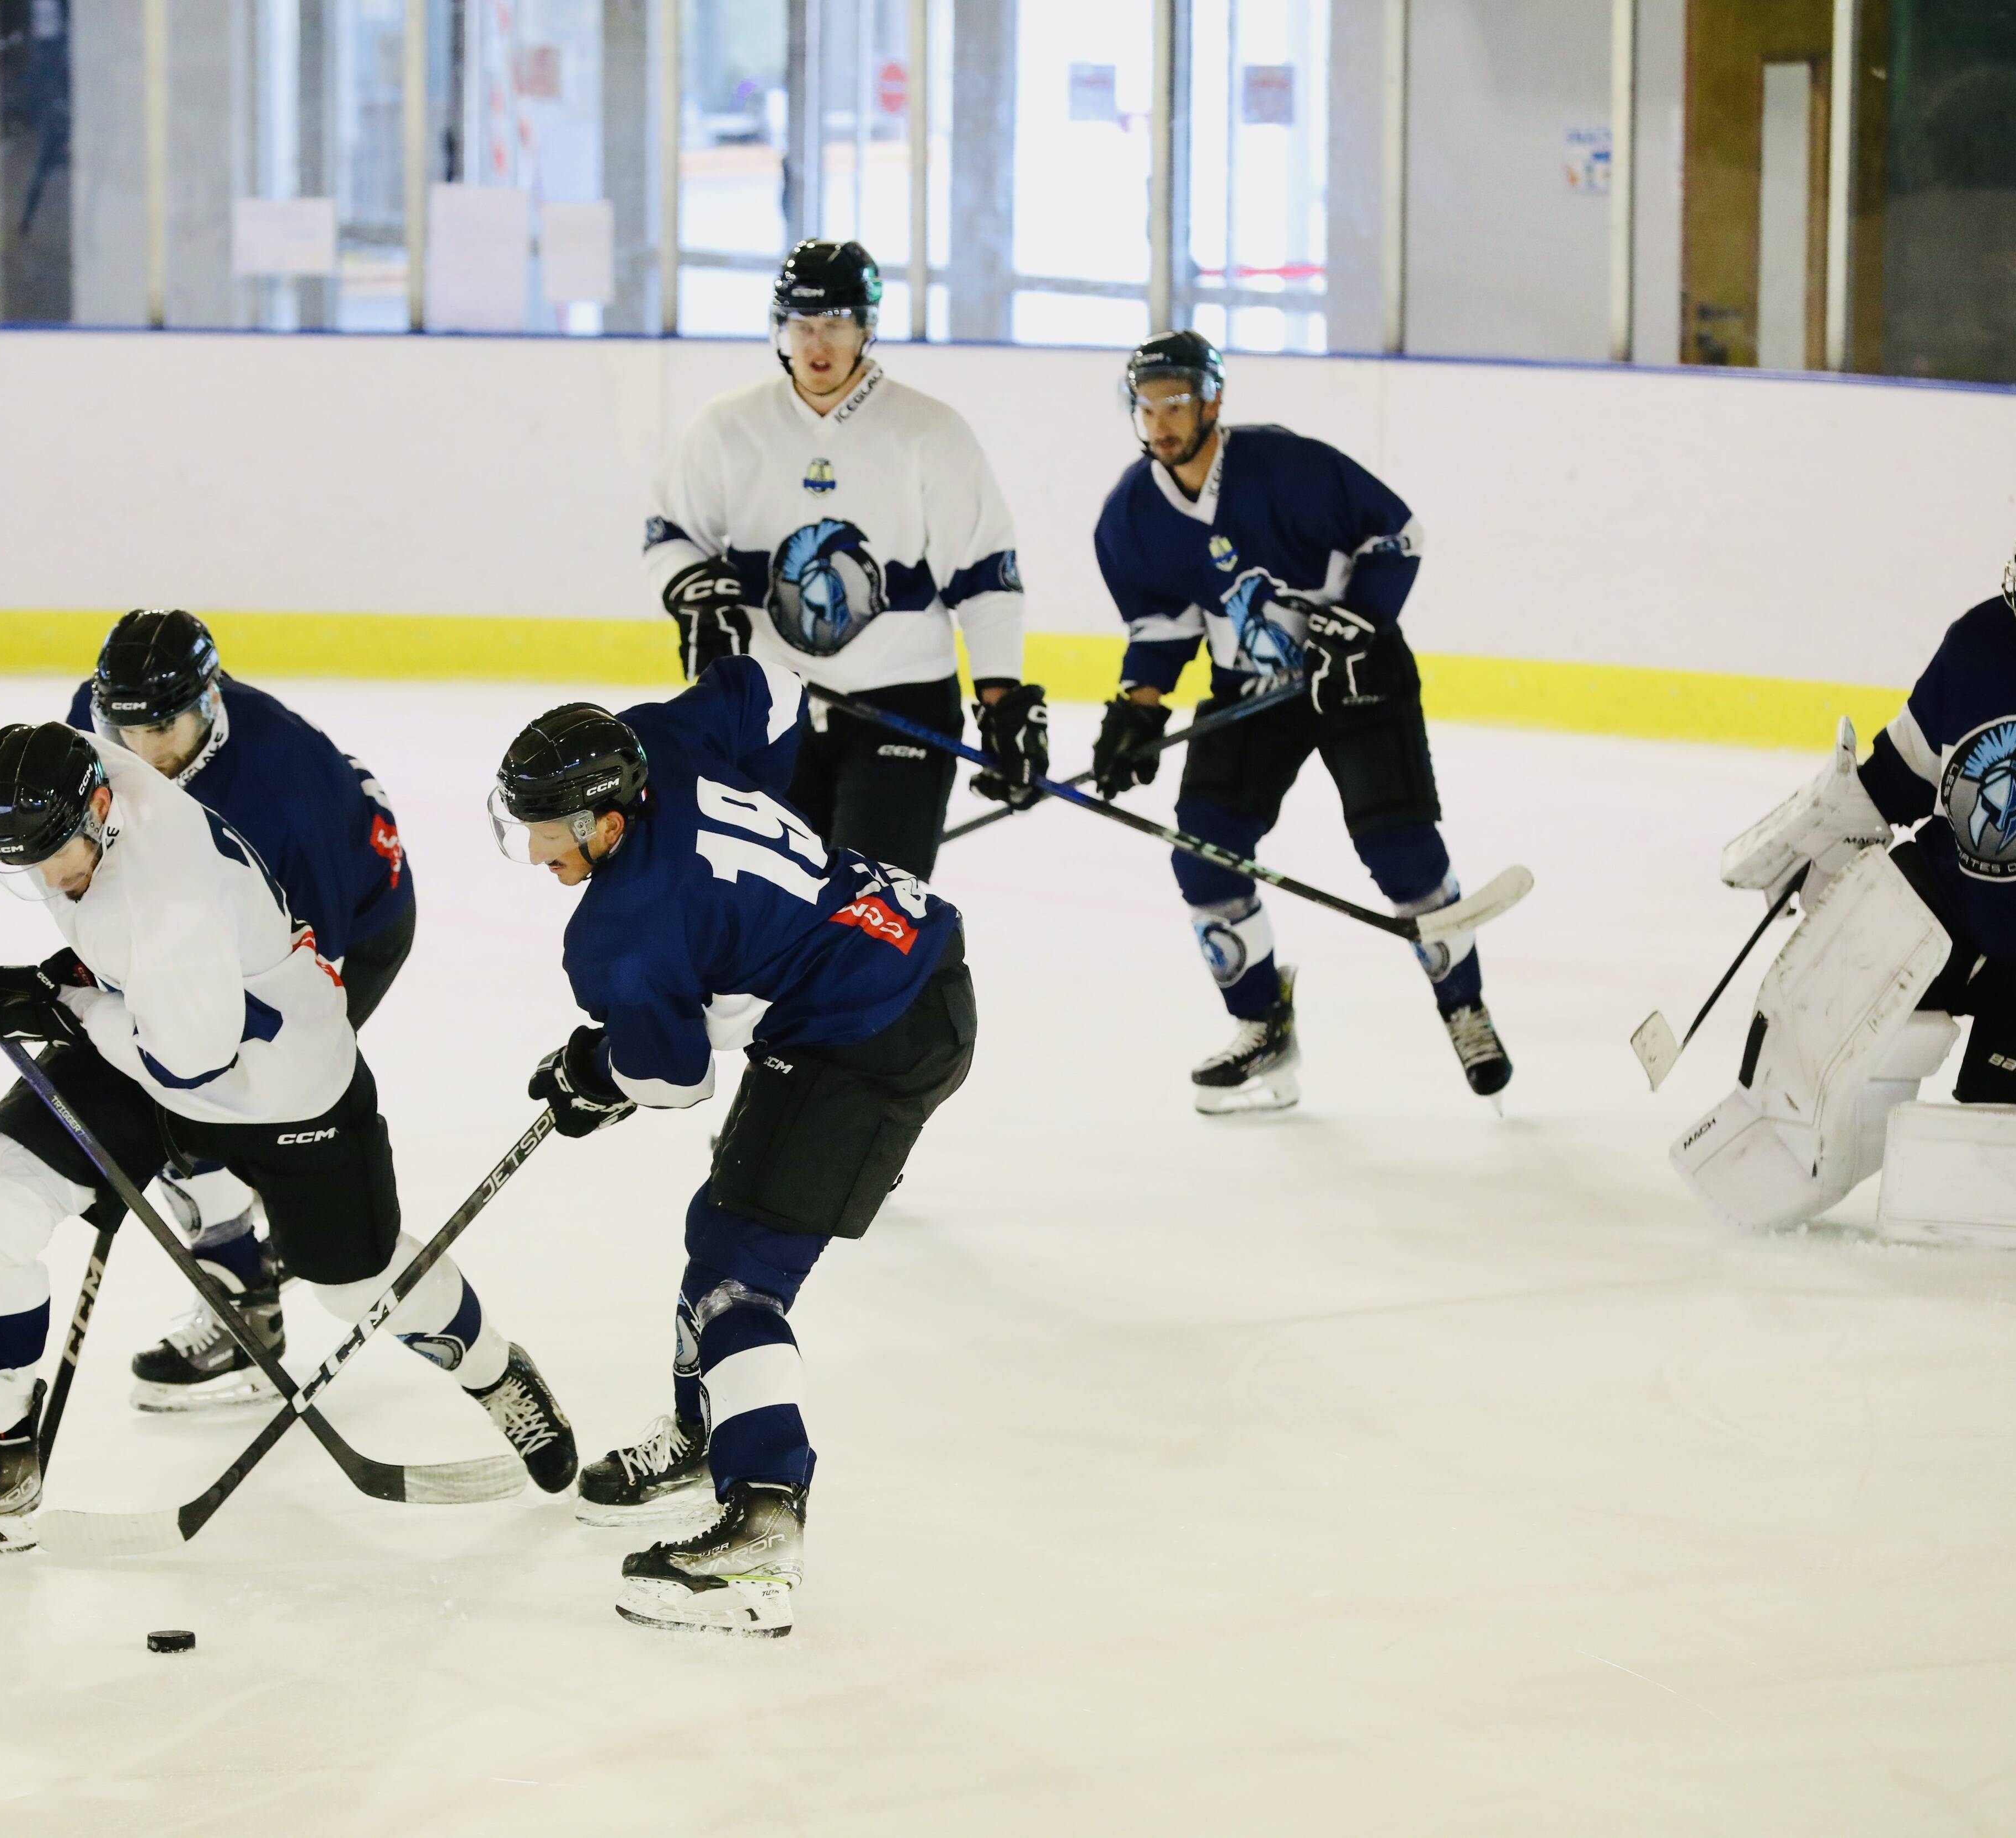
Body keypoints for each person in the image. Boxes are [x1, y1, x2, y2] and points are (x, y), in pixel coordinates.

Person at [0, 717, 573, 1556]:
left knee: (355, 1282)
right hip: (145, 1029)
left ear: (99, 811)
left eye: (57, 856)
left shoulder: (168, 899)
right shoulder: (79, 776)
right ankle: (1, 1458)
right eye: (22, 862)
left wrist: (57, 1001)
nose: (50, 878)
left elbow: (188, 1063)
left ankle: (496, 1373)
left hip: (279, 1081)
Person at [491, 655, 976, 1637]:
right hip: (891, 958)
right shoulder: (655, 741)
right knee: (718, 1231)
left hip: (870, 1034)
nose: (539, 850)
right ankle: (702, 1435)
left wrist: (600, 1075)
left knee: (736, 1279)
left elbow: (672, 1080)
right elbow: (763, 682)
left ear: (609, 821)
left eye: (551, 831)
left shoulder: (619, 935)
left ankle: (761, 1525)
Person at [1084, 330, 1511, 1112]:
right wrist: (1137, 712)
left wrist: (1361, 618)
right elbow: (1163, 625)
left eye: (1175, 400)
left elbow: (1398, 534)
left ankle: (1465, 1008)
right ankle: (1262, 1030)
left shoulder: (1289, 467)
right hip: (1249, 693)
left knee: (1404, 856)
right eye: (1147, 406)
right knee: (1204, 856)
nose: (1161, 420)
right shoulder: (1134, 511)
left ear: (1212, 399)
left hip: (1357, 682)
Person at [58, 610, 417, 1411]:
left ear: (208, 699)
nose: (142, 752)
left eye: (163, 728)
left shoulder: (280, 799)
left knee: (227, 1091)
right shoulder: (98, 719)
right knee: (180, 1080)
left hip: (346, 929)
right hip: (216, 914)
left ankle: (255, 1287)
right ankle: (243, 1268)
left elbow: (301, 987)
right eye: (126, 726)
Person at [641, 236, 1046, 881]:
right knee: (777, 911)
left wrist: (1000, 698)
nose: (817, 344)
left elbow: (983, 574)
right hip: (771, 710)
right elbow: (670, 534)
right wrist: (695, 592)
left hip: (901, 705)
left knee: (874, 913)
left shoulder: (927, 431)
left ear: (865, 329)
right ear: (780, 328)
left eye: (835, 324)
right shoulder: (727, 427)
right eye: (801, 325)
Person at [1675, 538, 2016, 1232]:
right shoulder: (1979, 641)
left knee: (1994, 1130)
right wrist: (1833, 820)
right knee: (1821, 988)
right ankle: (1770, 1150)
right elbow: (1903, 773)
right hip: (1948, 900)